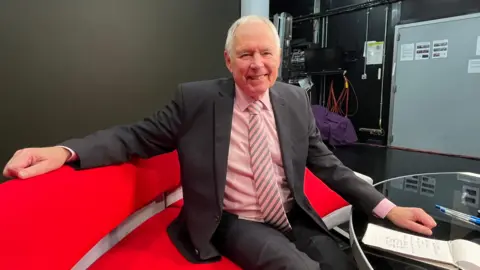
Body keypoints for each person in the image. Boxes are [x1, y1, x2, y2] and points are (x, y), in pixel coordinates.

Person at [3, 15, 437, 270]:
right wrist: (65, 152)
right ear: (228, 60)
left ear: (279, 58)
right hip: (232, 220)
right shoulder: (195, 100)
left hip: (290, 213)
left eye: (266, 54)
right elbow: (134, 137)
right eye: (245, 54)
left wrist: (389, 209)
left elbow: (327, 164)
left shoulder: (293, 99)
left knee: (342, 262)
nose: (257, 64)